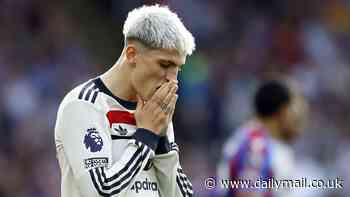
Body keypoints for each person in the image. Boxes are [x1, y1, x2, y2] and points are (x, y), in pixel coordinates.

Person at [54, 4, 195, 197]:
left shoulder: (155, 114)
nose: (173, 80)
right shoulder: (84, 104)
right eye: (164, 64)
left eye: (177, 69)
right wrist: (146, 136)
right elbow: (100, 193)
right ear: (132, 54)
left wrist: (161, 144)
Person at [217, 79, 308, 197]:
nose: (298, 119)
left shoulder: (258, 141)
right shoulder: (256, 146)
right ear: (283, 111)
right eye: (294, 110)